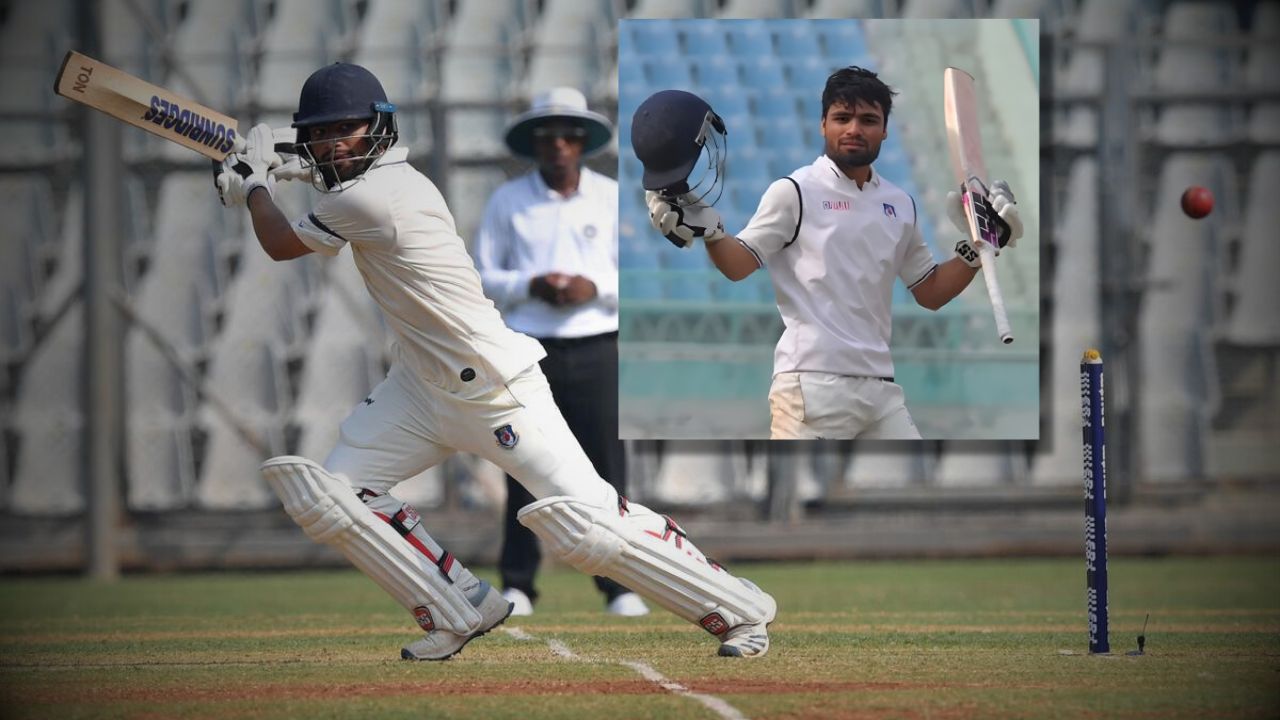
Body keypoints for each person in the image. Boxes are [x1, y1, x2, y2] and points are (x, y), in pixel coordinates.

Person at [214, 62, 774, 660]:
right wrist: (287, 166)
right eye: (322, 134)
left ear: (379, 127)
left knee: (589, 525)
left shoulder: (376, 197)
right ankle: (458, 606)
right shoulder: (368, 186)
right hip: (418, 389)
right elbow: (333, 176)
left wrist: (255, 185)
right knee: (335, 497)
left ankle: (740, 610)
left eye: (346, 130)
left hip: (492, 387)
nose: (334, 144)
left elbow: (280, 242)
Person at [637, 67, 1024, 440]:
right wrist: (712, 234)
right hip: (811, 385)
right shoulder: (794, 191)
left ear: (885, 130)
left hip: (881, 390)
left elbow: (931, 291)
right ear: (823, 124)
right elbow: (738, 265)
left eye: (868, 120)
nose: (854, 129)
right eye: (842, 118)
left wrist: (981, 247)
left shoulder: (900, 204)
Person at [473, 87, 648, 618]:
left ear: (582, 143)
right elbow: (482, 275)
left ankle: (618, 585)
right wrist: (531, 285)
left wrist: (594, 288)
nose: (558, 146)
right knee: (524, 462)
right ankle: (518, 585)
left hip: (599, 345)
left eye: (569, 136)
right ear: (535, 143)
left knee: (606, 469)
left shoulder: (611, 195)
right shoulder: (508, 200)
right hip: (531, 350)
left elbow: (639, 273)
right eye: (547, 137)